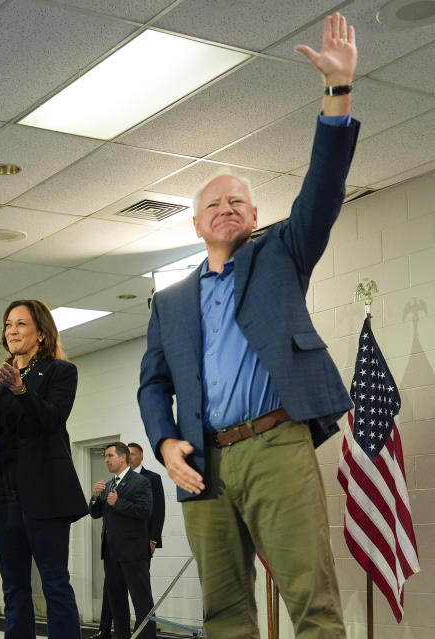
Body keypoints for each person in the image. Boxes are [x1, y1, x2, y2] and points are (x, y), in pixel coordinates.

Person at [137, 13, 358, 639]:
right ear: (197, 225)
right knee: (224, 612)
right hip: (201, 460)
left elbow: (324, 186)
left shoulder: (282, 253)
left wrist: (337, 93)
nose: (227, 207)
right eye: (214, 203)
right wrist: (163, 442)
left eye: (238, 201)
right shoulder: (170, 300)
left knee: (311, 602)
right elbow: (153, 384)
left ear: (255, 215)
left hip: (273, 445)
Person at [0, 299, 88, 638]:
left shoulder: (60, 372)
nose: (12, 331)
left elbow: (51, 421)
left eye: (20, 324)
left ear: (41, 333)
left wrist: (21, 390)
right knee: (13, 587)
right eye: (7, 325)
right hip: (4, 496)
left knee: (54, 584)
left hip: (45, 494)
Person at [91, 442, 164, 639]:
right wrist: (95, 497)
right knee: (116, 600)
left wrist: (119, 503)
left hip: (133, 551)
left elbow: (145, 511)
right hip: (111, 552)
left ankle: (147, 637)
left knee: (141, 600)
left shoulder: (140, 481)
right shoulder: (108, 485)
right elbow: (96, 514)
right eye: (105, 456)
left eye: (109, 456)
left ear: (122, 458)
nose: (106, 460)